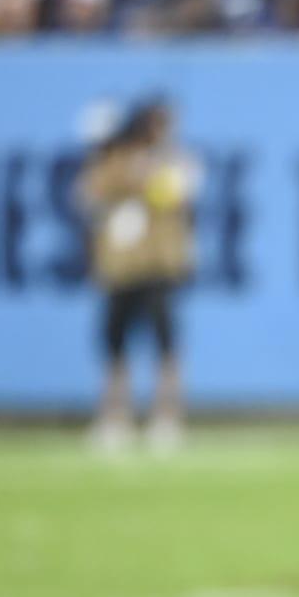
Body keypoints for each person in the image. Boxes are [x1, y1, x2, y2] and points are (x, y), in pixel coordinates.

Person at [78, 97, 199, 451]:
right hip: (120, 269)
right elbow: (89, 193)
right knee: (115, 347)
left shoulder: (171, 161)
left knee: (166, 344)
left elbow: (173, 191)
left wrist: (142, 177)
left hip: (156, 266)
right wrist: (131, 174)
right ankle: (116, 418)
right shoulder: (111, 161)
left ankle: (167, 418)